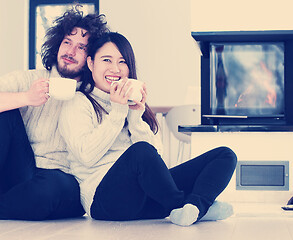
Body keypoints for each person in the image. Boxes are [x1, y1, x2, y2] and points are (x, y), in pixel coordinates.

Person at [0, 6, 109, 222]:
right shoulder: (31, 79)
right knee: (2, 109)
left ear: (91, 58)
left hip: (62, 184)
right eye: (67, 42)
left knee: (54, 188)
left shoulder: (94, 96)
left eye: (81, 47)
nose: (70, 52)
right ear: (57, 45)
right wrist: (25, 97)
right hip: (20, 174)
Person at [58, 32, 237, 226]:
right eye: (107, 60)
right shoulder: (78, 102)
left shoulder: (130, 106)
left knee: (225, 155)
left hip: (148, 199)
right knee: (140, 151)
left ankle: (194, 207)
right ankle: (186, 206)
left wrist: (135, 116)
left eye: (122, 62)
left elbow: (156, 161)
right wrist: (118, 112)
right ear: (91, 64)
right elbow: (86, 156)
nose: (115, 69)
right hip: (105, 202)